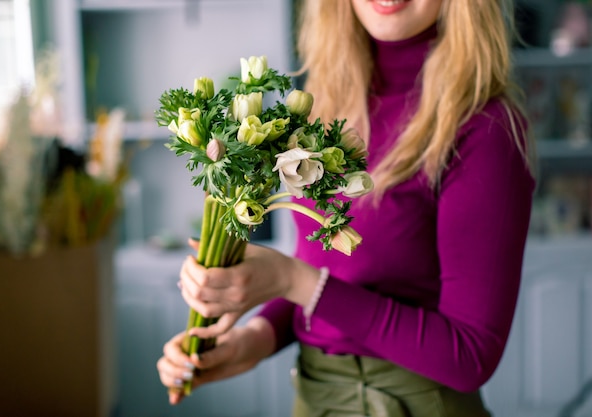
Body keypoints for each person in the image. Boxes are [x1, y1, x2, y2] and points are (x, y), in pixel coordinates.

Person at [157, 0, 536, 415]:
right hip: (315, 398)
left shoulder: (485, 129)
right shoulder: (325, 104)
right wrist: (255, 339)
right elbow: (333, 276)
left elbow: (470, 356)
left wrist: (290, 279)